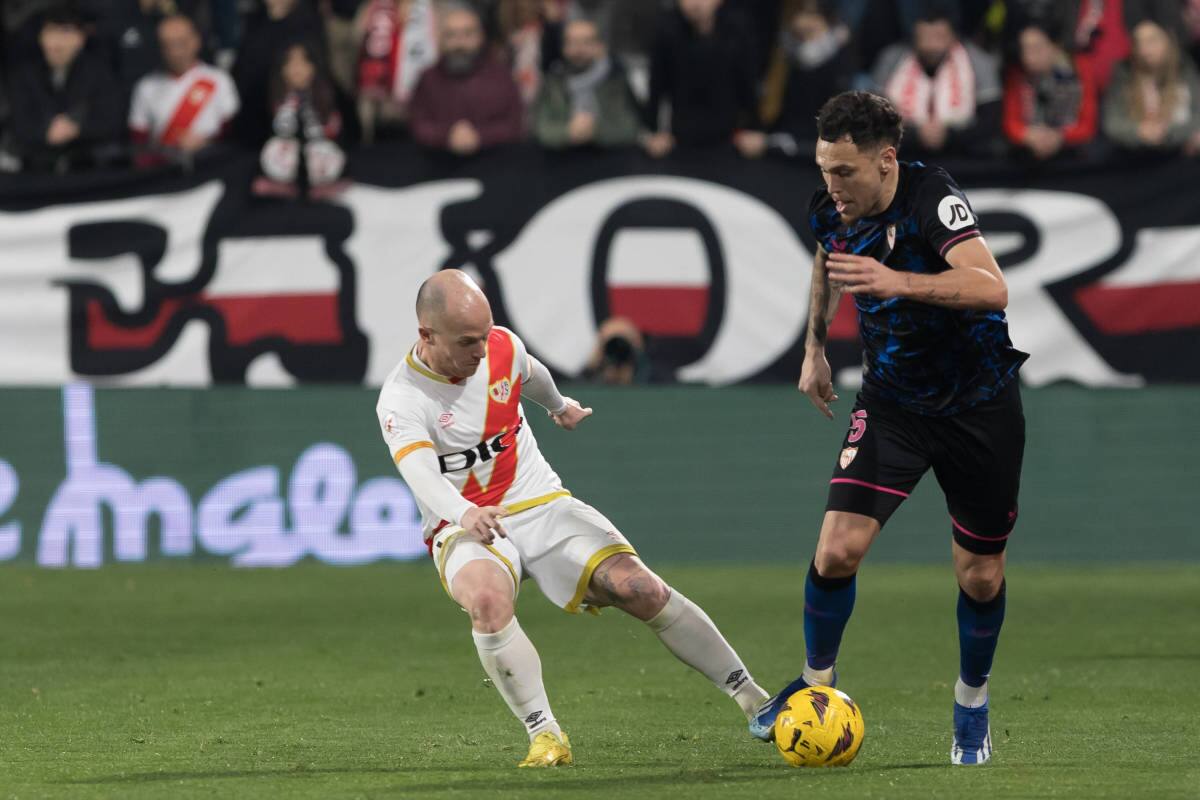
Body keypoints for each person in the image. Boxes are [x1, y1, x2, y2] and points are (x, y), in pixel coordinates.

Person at [375, 270, 768, 767]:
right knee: (487, 601)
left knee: (639, 587)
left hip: (536, 498)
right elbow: (419, 473)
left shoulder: (499, 346)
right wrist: (464, 511)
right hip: (462, 521)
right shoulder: (403, 398)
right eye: (466, 342)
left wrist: (559, 407)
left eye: (486, 334)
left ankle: (756, 700)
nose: (481, 350)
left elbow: (530, 372)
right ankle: (545, 734)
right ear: (426, 336)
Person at [747, 91, 1027, 767]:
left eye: (844, 171)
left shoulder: (932, 198)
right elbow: (829, 258)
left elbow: (991, 288)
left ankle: (971, 701)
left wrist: (899, 281)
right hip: (894, 405)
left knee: (981, 576)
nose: (831, 184)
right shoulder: (832, 209)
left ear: (886, 160)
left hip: (978, 408)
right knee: (837, 549)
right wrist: (815, 349)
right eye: (823, 168)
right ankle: (816, 688)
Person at [873, 7, 1002, 157]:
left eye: (939, 37)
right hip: (905, 148)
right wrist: (915, 134)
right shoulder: (892, 59)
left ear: (953, 37)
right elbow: (877, 115)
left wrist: (948, 135)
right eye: (924, 37)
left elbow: (990, 121)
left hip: (964, 150)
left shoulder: (978, 62)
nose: (931, 46)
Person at [9, 6, 125, 173]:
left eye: (65, 32)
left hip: (89, 167)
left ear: (80, 38)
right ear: (40, 37)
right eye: (50, 32)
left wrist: (76, 129)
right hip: (37, 169)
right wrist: (45, 132)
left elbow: (112, 120)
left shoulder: (99, 73)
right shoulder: (24, 75)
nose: (57, 42)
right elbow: (18, 123)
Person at [643, 0, 761, 158]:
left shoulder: (739, 28)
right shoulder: (665, 29)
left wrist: (754, 128)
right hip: (680, 138)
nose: (695, 3)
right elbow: (656, 86)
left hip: (730, 138)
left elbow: (748, 84)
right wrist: (653, 131)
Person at [408, 4, 524, 154]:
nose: (459, 43)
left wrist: (479, 136)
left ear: (481, 37)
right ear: (439, 39)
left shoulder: (501, 76)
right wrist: (447, 136)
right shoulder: (428, 79)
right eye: (451, 35)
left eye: (467, 34)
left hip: (495, 165)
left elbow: (514, 124)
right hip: (438, 166)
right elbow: (417, 123)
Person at [129, 14, 239, 168]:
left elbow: (234, 134)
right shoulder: (145, 87)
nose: (176, 52)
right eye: (168, 45)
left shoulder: (219, 80)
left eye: (181, 43)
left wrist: (206, 142)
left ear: (196, 41)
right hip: (163, 173)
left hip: (211, 167)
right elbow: (138, 142)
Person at [254, 41, 347, 199]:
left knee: (321, 150)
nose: (297, 68)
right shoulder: (273, 97)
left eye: (303, 62)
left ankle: (322, 186)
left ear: (314, 67)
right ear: (282, 69)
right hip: (282, 166)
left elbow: (336, 132)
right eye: (290, 62)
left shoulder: (328, 95)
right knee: (279, 147)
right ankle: (281, 185)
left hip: (320, 163)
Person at [531, 18, 641, 149]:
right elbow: (540, 127)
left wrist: (595, 130)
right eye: (572, 42)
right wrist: (568, 131)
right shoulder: (553, 81)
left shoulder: (615, 80)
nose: (579, 49)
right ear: (564, 47)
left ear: (600, 46)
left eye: (586, 42)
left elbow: (630, 127)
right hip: (561, 159)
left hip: (607, 157)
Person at [1003, 22, 1099, 160]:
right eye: (1024, 49)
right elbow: (1011, 122)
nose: (1028, 57)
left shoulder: (1080, 68)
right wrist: (1029, 135)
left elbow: (1088, 124)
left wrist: (1059, 136)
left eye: (1036, 48)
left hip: (1072, 151)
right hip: (1028, 151)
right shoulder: (1017, 75)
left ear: (1055, 46)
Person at [1103, 18, 1200, 155]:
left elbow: (1197, 117)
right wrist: (1138, 131)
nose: (1144, 49)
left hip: (1178, 156)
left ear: (1168, 40)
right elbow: (1112, 123)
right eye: (1138, 42)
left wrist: (1167, 132)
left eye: (1152, 40)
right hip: (1134, 159)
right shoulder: (1124, 74)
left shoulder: (1186, 69)